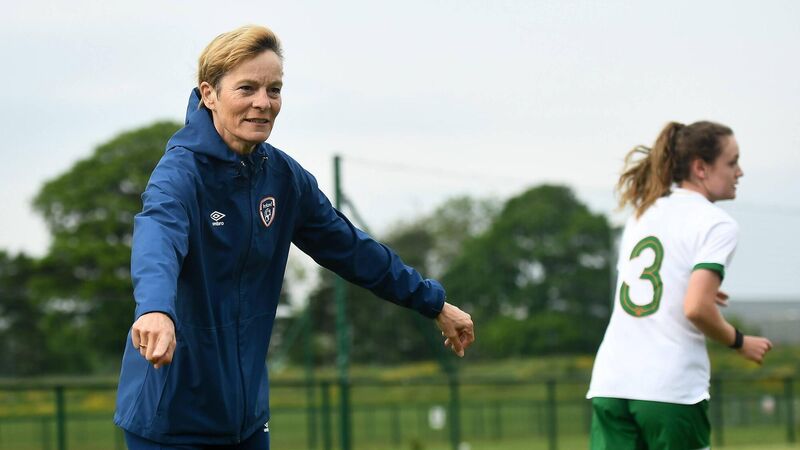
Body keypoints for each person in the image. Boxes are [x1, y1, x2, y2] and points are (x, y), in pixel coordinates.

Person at [113, 25, 475, 450]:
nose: (263, 103)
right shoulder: (179, 174)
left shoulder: (283, 177)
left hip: (246, 423)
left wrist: (433, 302)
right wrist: (155, 309)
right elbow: (158, 237)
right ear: (209, 94)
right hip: (170, 424)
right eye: (247, 88)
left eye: (274, 90)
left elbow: (352, 249)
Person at [586, 121, 772, 450]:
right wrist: (740, 341)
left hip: (611, 383)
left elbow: (647, 282)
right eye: (732, 162)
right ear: (701, 168)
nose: (739, 172)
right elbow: (696, 308)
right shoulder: (717, 224)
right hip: (668, 389)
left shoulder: (643, 211)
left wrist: (687, 286)